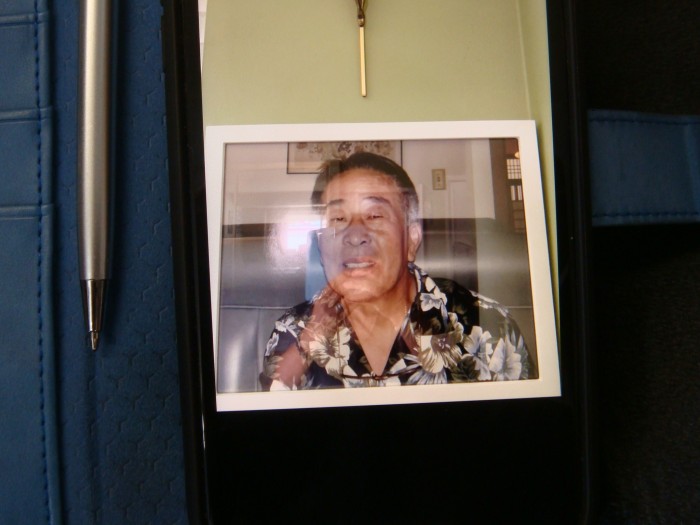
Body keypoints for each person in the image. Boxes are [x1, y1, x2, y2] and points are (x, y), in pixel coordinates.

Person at [261, 151, 530, 390]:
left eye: (374, 216)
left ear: (411, 239)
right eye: (338, 218)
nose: (354, 234)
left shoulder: (485, 326)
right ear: (321, 244)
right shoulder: (292, 331)